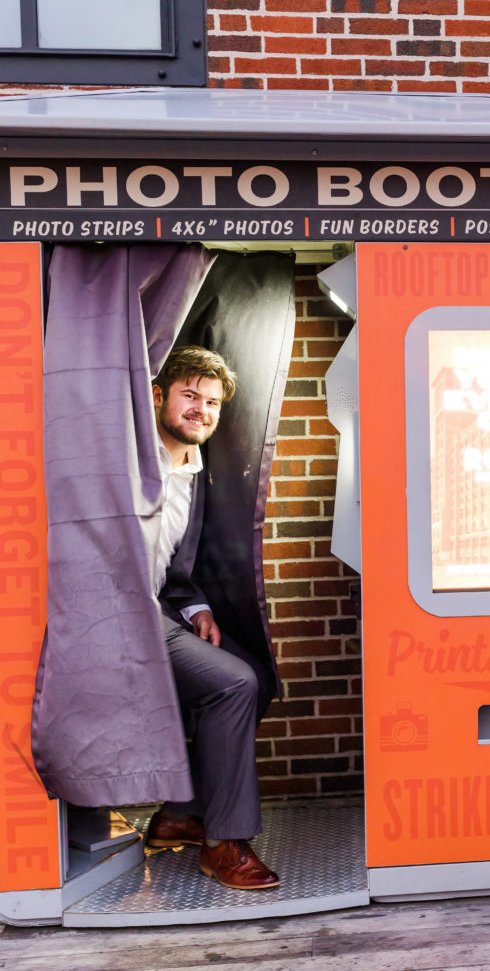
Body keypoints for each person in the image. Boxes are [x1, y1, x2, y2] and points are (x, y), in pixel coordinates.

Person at [145, 345, 279, 890]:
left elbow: (173, 566)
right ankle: (224, 842)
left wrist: (196, 606)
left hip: (160, 609)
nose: (202, 410)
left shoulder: (194, 470)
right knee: (233, 684)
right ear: (158, 396)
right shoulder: (129, 461)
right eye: (190, 396)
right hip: (114, 615)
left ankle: (183, 811)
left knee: (255, 675)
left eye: (213, 403)